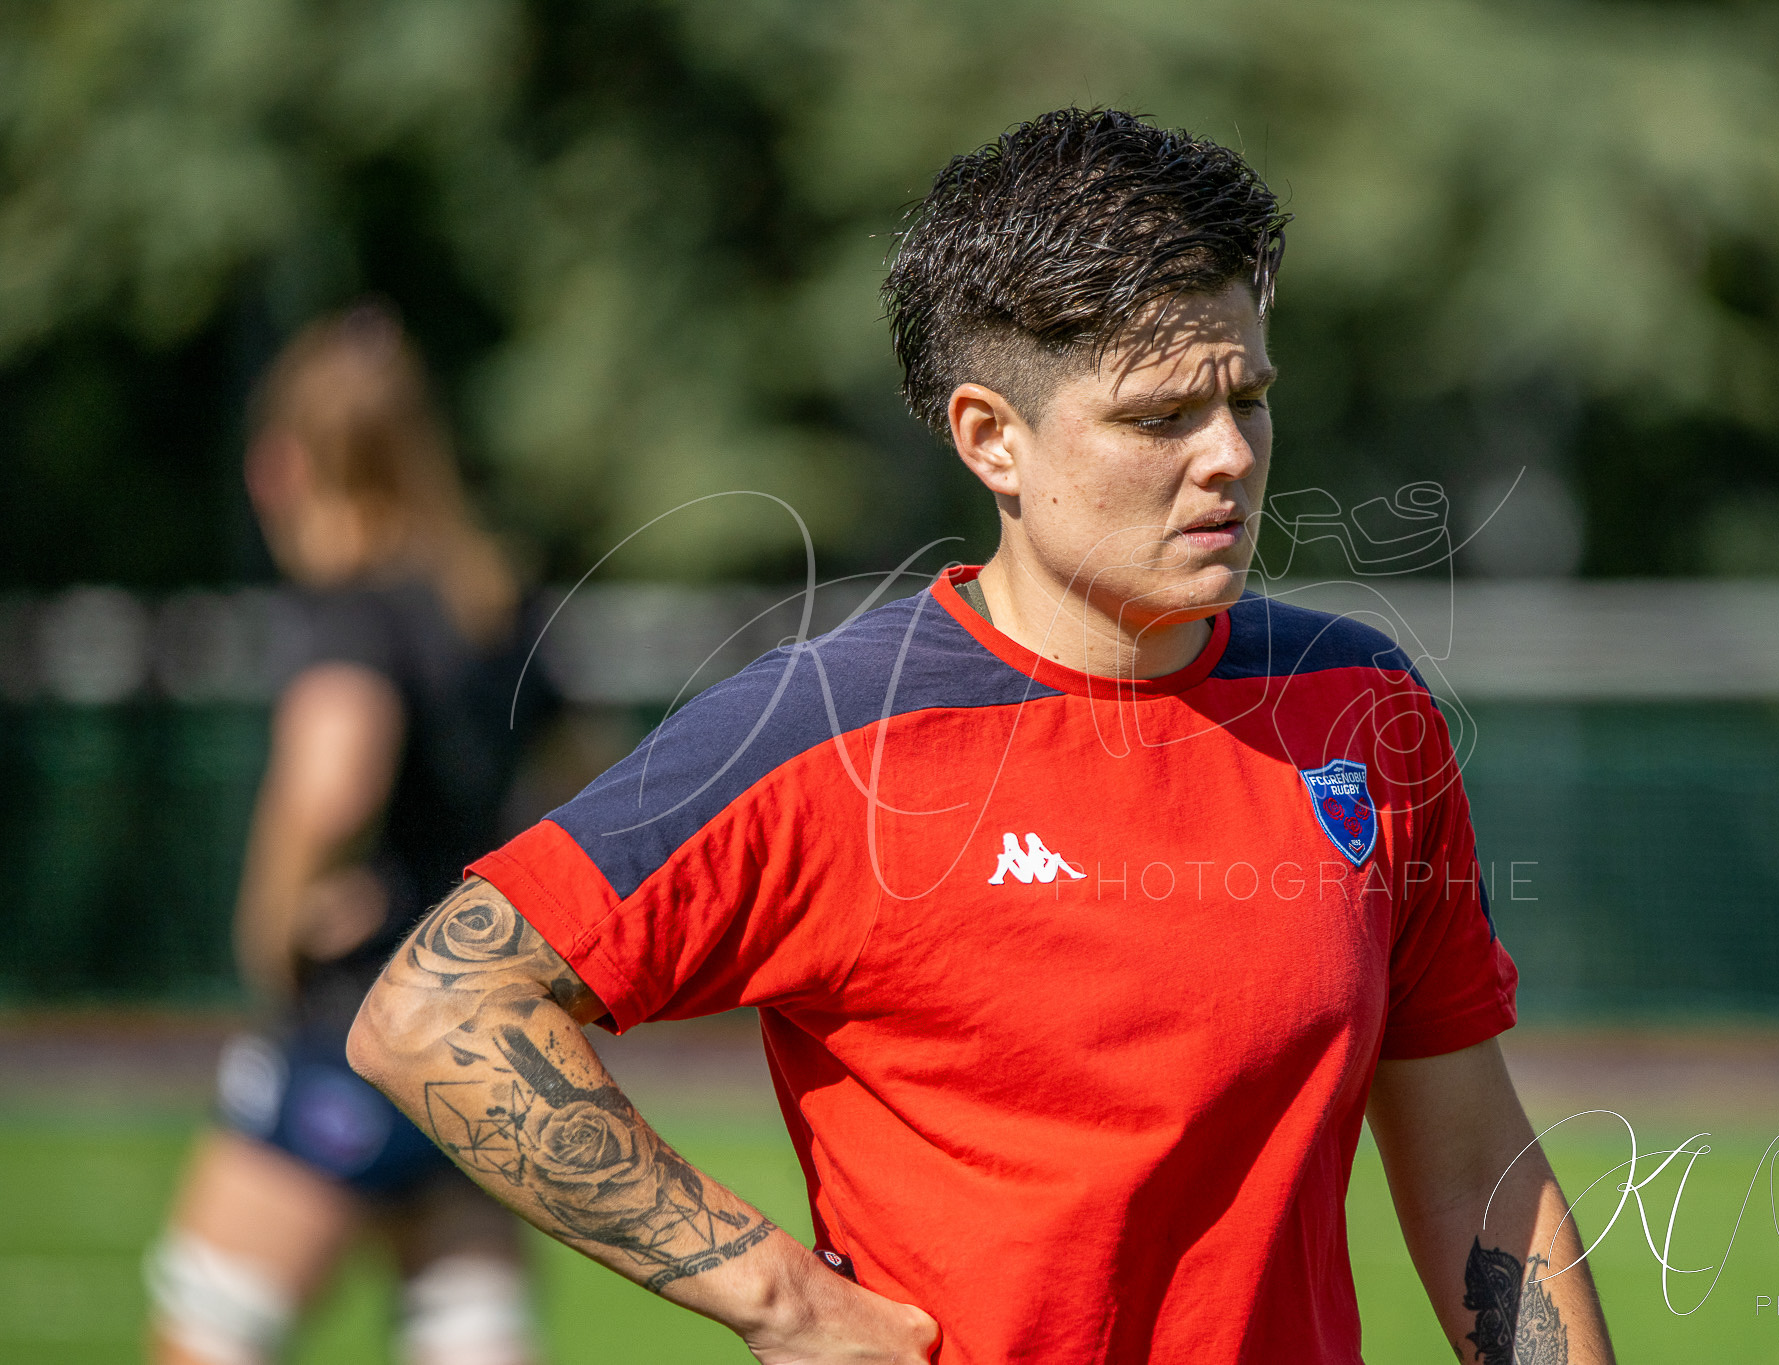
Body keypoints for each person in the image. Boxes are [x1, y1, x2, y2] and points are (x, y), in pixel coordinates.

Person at [348, 109, 1620, 1363]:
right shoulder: (828, 734)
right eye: (1160, 418)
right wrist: (780, 1299)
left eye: (1248, 398)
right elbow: (432, 1009)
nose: (1229, 455)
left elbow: (1472, 1166)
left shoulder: (1358, 703)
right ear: (989, 438)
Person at [148, 304, 552, 1365]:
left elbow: (334, 780)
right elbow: (584, 781)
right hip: (486, 1039)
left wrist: (274, 924)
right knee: (467, 1336)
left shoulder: (350, 611)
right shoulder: (496, 605)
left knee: (205, 1336)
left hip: (354, 1028)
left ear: (282, 463)